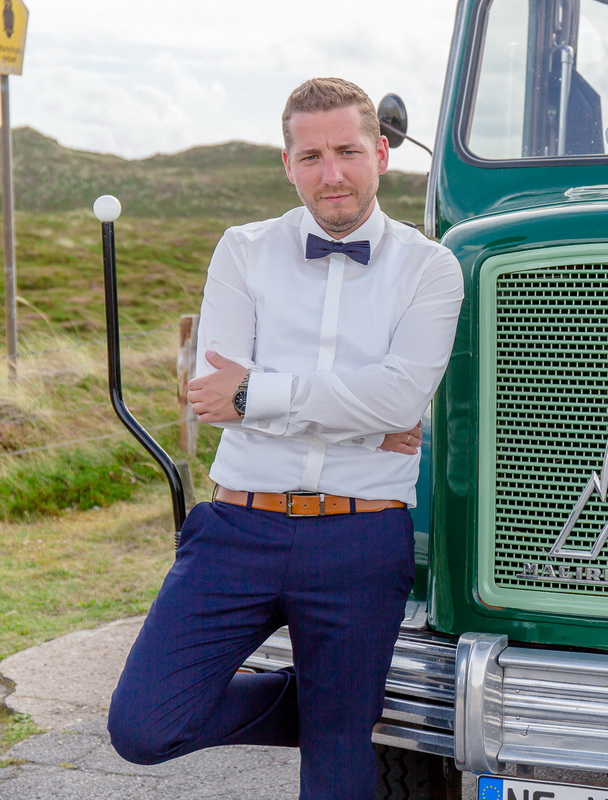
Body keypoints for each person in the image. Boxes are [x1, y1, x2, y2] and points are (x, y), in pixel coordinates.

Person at [106, 77, 464, 800]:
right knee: (144, 725)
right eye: (311, 156)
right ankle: (336, 696)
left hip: (361, 538)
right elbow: (216, 397)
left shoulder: (431, 266)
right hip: (237, 527)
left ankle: (343, 707)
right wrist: (365, 415)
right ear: (287, 164)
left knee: (339, 761)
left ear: (381, 154)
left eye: (348, 152)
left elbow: (399, 397)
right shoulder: (244, 250)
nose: (332, 174)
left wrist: (263, 393)